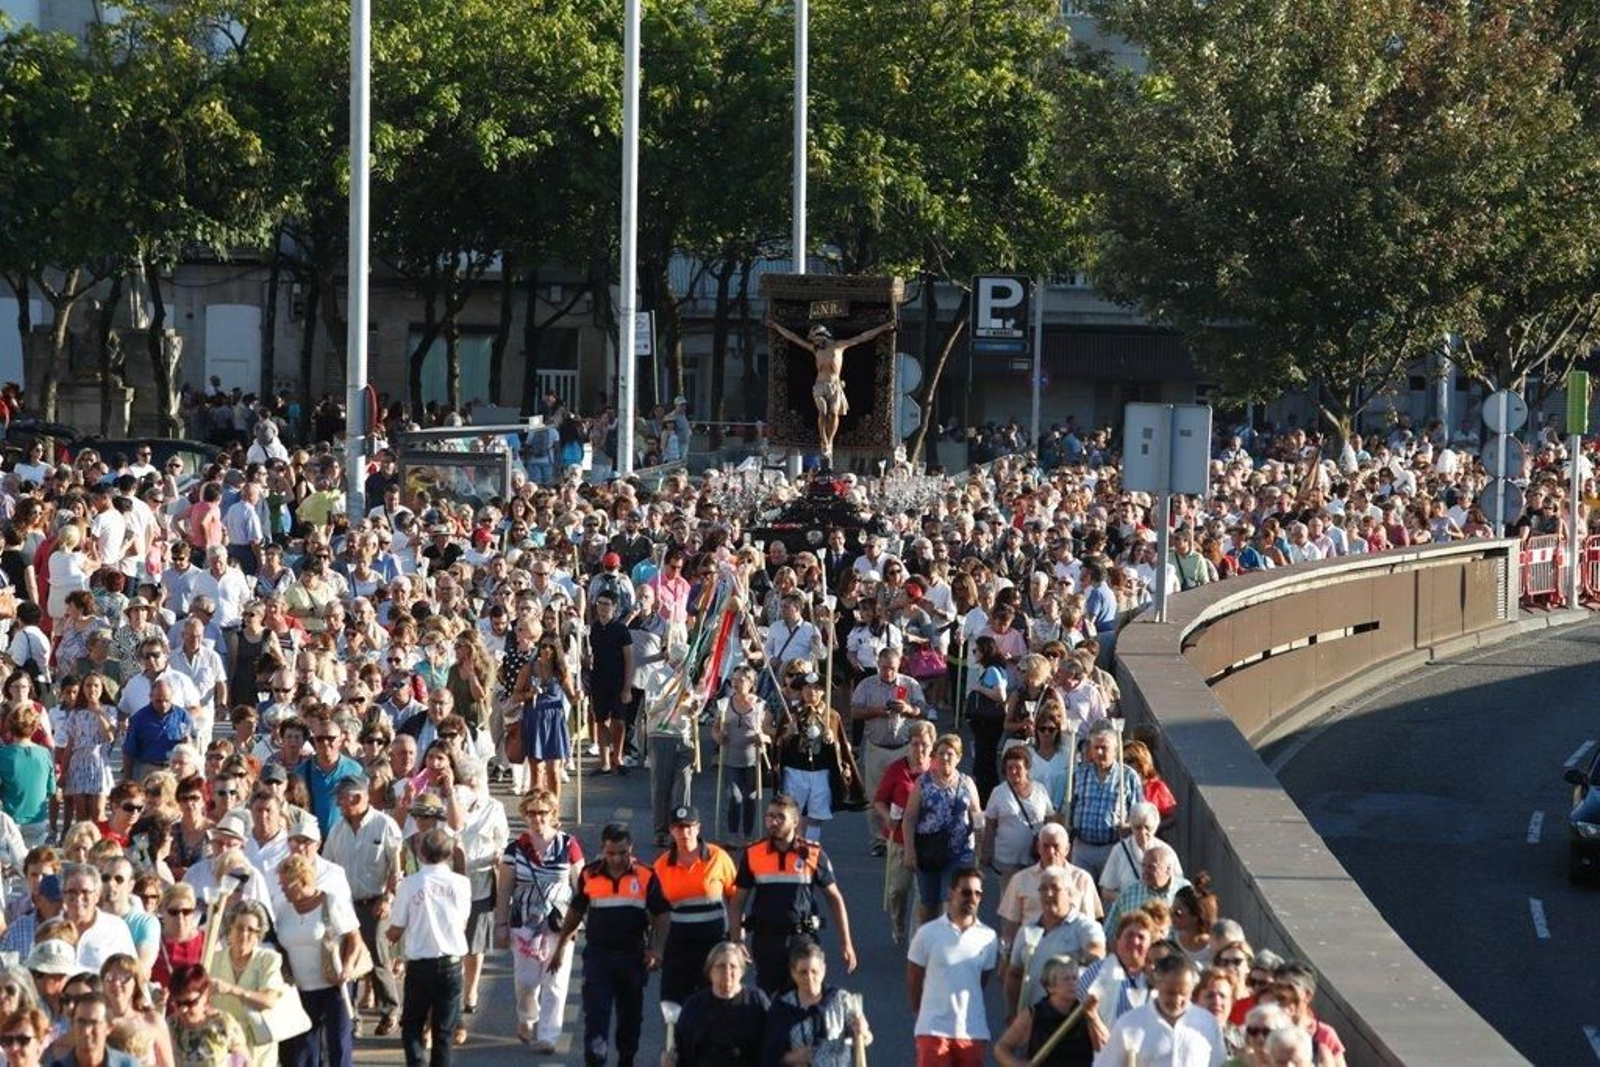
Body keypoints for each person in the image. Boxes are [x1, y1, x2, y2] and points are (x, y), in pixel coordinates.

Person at [553, 823, 670, 1067]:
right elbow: (575, 912)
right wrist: (561, 946)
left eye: (622, 852)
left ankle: (626, 1061)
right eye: (611, 853)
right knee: (596, 1019)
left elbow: (662, 915)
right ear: (602, 850)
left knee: (630, 1021)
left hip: (632, 958)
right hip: (599, 959)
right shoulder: (589, 874)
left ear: (631, 849)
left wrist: (657, 949)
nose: (617, 859)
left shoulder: (646, 876)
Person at [728, 795, 857, 997]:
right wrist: (736, 941)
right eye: (770, 816)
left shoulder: (813, 853)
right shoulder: (753, 853)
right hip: (766, 939)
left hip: (803, 938)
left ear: (796, 822)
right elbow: (738, 901)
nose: (773, 822)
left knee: (805, 998)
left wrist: (846, 943)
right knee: (769, 1000)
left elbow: (834, 898)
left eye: (780, 817)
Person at [495, 790, 583, 1053]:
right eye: (532, 813)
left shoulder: (569, 845)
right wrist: (501, 924)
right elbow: (504, 890)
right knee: (526, 981)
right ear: (524, 815)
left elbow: (581, 887)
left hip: (560, 923)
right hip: (524, 923)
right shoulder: (514, 849)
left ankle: (548, 1035)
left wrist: (580, 920)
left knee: (555, 982)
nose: (537, 818)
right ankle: (527, 1017)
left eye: (543, 812)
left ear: (553, 814)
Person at [387, 827, 472, 1067]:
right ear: (448, 855)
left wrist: (388, 936)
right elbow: (463, 919)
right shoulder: (462, 884)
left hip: (421, 965)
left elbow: (396, 928)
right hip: (452, 964)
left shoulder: (409, 884)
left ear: (421, 854)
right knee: (443, 1033)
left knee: (412, 1025)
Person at [765, 317, 895, 459]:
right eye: (813, 341)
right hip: (820, 385)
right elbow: (793, 338)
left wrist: (884, 327)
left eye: (816, 339)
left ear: (823, 336)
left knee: (833, 413)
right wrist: (776, 326)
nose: (814, 343)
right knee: (823, 411)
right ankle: (824, 440)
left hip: (835, 386)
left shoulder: (839, 346)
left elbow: (863, 337)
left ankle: (830, 440)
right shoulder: (815, 349)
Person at [906, 866, 998, 1066]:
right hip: (933, 1031)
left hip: (972, 1031)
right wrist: (921, 1013)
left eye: (977, 893)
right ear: (951, 893)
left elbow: (980, 980)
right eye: (965, 892)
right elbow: (914, 979)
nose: (972, 898)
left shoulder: (989, 937)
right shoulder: (927, 934)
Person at [272, 855, 359, 1067]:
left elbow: (354, 938)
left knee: (338, 1048)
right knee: (303, 1054)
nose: (282, 889)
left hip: (334, 986)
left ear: (302, 881)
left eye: (286, 884)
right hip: (300, 990)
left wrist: (347, 968)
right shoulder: (283, 908)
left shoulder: (331, 902)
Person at [850, 647, 929, 855]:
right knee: (875, 795)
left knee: (904, 794)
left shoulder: (909, 684)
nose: (888, 673)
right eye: (884, 668)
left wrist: (908, 709)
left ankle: (903, 835)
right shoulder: (866, 685)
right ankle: (878, 840)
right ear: (878, 665)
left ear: (899, 665)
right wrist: (877, 711)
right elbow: (854, 712)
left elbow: (923, 709)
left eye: (892, 669)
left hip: (903, 748)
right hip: (876, 748)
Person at [901, 734, 983, 926]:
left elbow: (977, 815)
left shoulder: (967, 783)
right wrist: (909, 850)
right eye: (941, 753)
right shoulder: (923, 783)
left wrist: (980, 848)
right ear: (934, 757)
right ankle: (928, 947)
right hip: (929, 852)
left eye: (950, 753)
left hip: (960, 852)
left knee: (953, 902)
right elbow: (910, 817)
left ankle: (952, 946)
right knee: (929, 905)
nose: (945, 758)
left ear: (959, 757)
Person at [1092, 954, 1225, 1067]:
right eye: (1170, 993)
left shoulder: (1207, 1023)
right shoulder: (1129, 1024)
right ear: (1157, 984)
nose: (1177, 1000)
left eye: (1183, 993)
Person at [204, 901, 294, 1067]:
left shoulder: (268, 960)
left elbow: (268, 1001)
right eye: (239, 928)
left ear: (259, 934)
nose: (244, 935)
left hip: (258, 1045)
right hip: (222, 1043)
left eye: (251, 930)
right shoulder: (213, 960)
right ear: (230, 929)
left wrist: (230, 990)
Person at [1006, 865, 1106, 1010]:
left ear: (1069, 894)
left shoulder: (1085, 926)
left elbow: (1096, 954)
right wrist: (1012, 1014)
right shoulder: (1027, 928)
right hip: (1032, 1018)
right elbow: (1014, 974)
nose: (1049, 894)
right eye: (1043, 889)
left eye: (1055, 888)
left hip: (1068, 1018)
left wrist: (1081, 961)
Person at [761, 940, 872, 1066]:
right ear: (793, 973)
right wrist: (794, 1057)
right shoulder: (782, 1008)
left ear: (823, 970)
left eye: (814, 971)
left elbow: (867, 1039)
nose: (809, 978)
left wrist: (862, 1032)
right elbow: (770, 1056)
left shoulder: (842, 1000)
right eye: (803, 972)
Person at [667, 941, 768, 1066]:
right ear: (709, 972)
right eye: (721, 966)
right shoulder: (694, 1006)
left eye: (733, 966)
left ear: (742, 972)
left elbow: (770, 1046)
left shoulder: (756, 1000)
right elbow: (682, 1050)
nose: (727, 972)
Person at [1067, 723, 1142, 880]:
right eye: (1096, 748)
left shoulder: (1128, 776)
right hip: (1082, 848)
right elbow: (1069, 805)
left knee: (1109, 898)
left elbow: (1138, 813)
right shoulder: (1079, 774)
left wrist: (1129, 826)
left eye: (1104, 748)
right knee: (1081, 898)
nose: (1099, 752)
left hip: (1112, 848)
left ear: (1115, 751)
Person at [994, 955, 1095, 1067]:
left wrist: (1093, 1018)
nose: (1072, 983)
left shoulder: (1086, 1011)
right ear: (1050, 986)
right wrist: (1016, 1064)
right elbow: (1001, 1047)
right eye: (1066, 979)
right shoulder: (1033, 1015)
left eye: (1075, 978)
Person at [710, 667, 771, 848]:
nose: (736, 684)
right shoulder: (723, 704)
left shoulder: (760, 705)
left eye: (741, 680)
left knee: (751, 798)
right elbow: (715, 728)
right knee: (735, 797)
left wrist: (763, 738)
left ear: (751, 683)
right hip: (730, 758)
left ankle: (748, 835)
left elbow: (768, 733)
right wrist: (717, 736)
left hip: (753, 760)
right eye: (734, 680)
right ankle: (733, 834)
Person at [980, 746, 1052, 892]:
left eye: (1018, 767)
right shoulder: (998, 792)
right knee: (1009, 907)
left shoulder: (1040, 790)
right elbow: (990, 825)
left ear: (1027, 769)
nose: (1013, 771)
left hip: (1034, 858)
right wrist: (985, 852)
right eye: (1009, 768)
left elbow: (1050, 819)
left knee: (1032, 904)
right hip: (1007, 860)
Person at [1077, 912, 1158, 1038]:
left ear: (1150, 945)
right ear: (1118, 941)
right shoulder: (1098, 970)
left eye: (1141, 937)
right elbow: (1082, 1006)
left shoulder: (1156, 977)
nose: (1135, 941)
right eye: (1129, 935)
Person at [164, 964, 249, 1067]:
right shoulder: (169, 1027)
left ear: (205, 995)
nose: (183, 1010)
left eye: (190, 1003)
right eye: (178, 1003)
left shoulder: (224, 1024)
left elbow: (244, 1061)